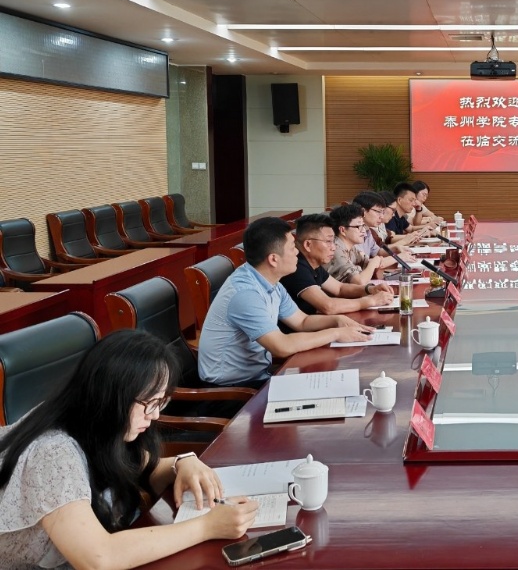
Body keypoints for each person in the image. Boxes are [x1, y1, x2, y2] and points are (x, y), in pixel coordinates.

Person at [0, 330, 260, 569]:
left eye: (161, 401)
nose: (155, 414)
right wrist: (207, 527)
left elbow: (142, 466)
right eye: (150, 402)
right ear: (112, 396)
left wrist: (183, 462)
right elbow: (98, 559)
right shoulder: (52, 452)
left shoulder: (95, 424)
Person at [198, 217, 373, 388]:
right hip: (230, 390)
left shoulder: (270, 281)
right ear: (273, 259)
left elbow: (302, 321)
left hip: (260, 375)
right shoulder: (245, 294)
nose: (297, 252)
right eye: (292, 248)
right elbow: (281, 346)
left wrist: (337, 320)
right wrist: (335, 333)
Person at [280, 214, 394, 315]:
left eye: (333, 241)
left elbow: (340, 288)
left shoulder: (314, 264)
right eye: (328, 241)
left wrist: (370, 289)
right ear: (308, 245)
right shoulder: (297, 268)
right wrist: (371, 301)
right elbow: (328, 306)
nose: (333, 247)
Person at [327, 204, 397, 285]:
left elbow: (369, 262)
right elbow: (359, 281)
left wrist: (375, 261)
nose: (364, 231)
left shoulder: (351, 248)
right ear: (343, 230)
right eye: (358, 226)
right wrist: (373, 263)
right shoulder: (335, 250)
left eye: (363, 226)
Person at [352, 191, 414, 259]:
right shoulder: (352, 232)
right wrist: (397, 257)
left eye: (382, 212)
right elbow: (362, 263)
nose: (381, 216)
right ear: (363, 211)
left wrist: (395, 248)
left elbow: (377, 252)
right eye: (378, 212)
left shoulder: (368, 231)